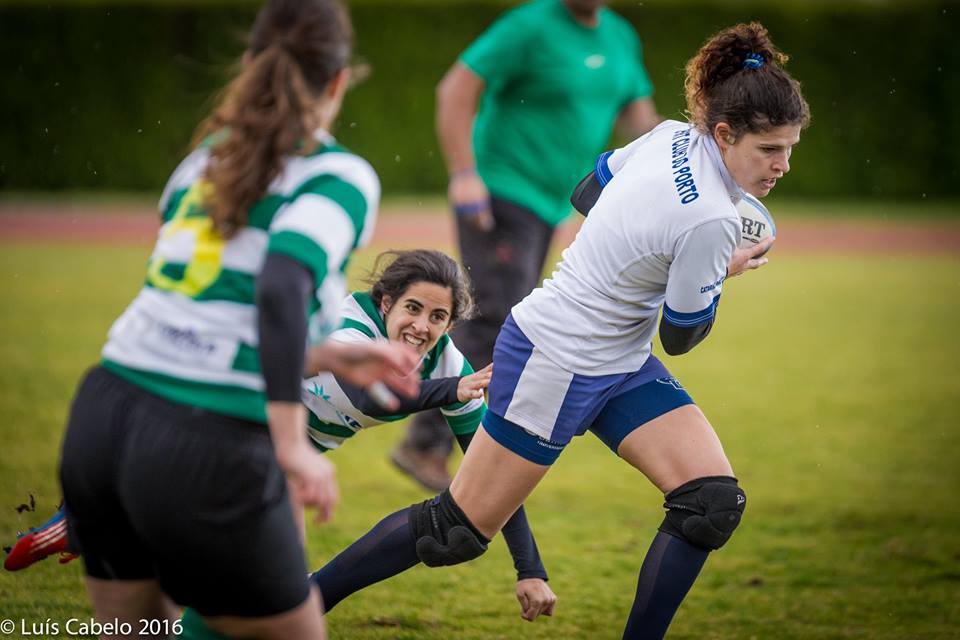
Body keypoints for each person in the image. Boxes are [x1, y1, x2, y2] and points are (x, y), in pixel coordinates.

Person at [319, 22, 809, 639]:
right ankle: (305, 603)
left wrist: (645, 249)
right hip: (558, 357)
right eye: (770, 149)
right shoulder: (712, 221)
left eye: (791, 147)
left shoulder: (668, 138)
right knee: (456, 532)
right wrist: (719, 269)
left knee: (708, 503)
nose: (783, 164)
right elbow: (681, 336)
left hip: (618, 359)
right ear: (724, 132)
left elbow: (585, 194)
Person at [56, 2, 420, 638]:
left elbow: (203, 313)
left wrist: (325, 356)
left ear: (251, 66)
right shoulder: (337, 176)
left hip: (103, 416)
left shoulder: (203, 160)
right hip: (207, 440)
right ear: (338, 82)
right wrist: (289, 446)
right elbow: (281, 284)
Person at [391, 0, 663, 491]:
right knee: (494, 317)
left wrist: (688, 163)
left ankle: (441, 443)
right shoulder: (529, 26)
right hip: (499, 190)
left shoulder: (620, 37)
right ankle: (427, 443)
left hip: (551, 205)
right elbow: (455, 89)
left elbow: (643, 126)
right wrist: (463, 174)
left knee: (502, 318)